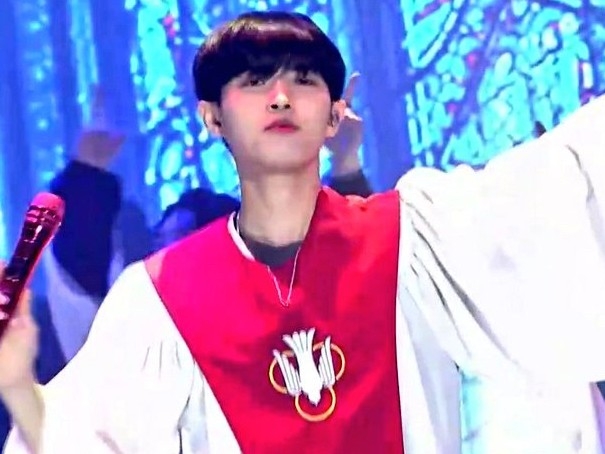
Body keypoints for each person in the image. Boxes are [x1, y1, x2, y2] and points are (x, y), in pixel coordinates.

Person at [2, 10, 605, 453]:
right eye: (254, 81)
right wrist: (17, 384)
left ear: (336, 113)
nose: (281, 97)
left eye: (305, 79)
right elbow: (83, 440)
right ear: (211, 117)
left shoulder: (415, 238)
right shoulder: (160, 298)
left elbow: (567, 199)